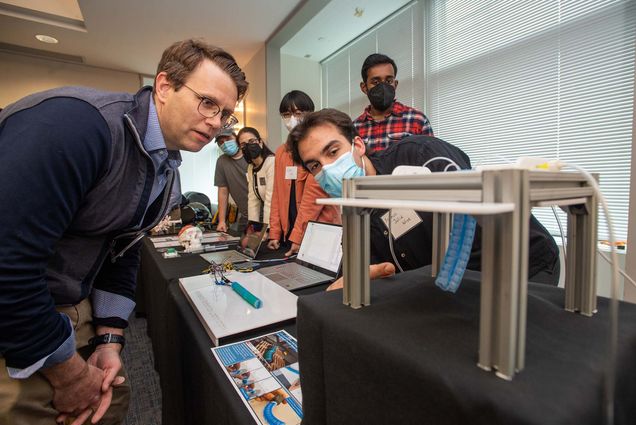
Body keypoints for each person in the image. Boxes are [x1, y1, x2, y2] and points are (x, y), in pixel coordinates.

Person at [0, 39, 247, 424]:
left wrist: (110, 338)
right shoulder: (78, 126)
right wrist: (67, 372)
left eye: (226, 114)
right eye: (208, 103)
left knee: (111, 405)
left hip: (71, 310)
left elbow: (124, 249)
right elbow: (7, 265)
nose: (217, 123)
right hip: (19, 318)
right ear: (164, 86)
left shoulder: (167, 172)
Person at [288, 109, 560, 290]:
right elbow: (363, 271)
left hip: (522, 264)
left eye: (333, 151)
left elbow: (467, 228)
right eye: (315, 166)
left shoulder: (420, 155)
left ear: (358, 145)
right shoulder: (353, 209)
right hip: (454, 285)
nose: (328, 167)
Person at [267, 91, 340, 256]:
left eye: (298, 113)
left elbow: (312, 199)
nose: (292, 119)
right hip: (290, 235)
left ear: (310, 115)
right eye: (286, 114)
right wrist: (275, 233)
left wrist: (298, 236)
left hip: (318, 231)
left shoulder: (319, 148)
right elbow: (277, 195)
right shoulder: (281, 152)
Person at [353, 53, 434, 152]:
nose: (383, 86)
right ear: (364, 88)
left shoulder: (418, 120)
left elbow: (431, 162)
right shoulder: (354, 128)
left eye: (388, 81)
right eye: (376, 82)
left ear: (395, 84)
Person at [238, 127, 275, 225]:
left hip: (280, 219)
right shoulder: (250, 168)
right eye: (243, 144)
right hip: (271, 217)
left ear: (260, 143)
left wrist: (267, 230)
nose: (248, 146)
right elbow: (253, 201)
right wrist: (252, 229)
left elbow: (270, 201)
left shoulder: (271, 162)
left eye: (251, 141)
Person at [214, 129, 249, 232]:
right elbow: (223, 192)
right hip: (245, 215)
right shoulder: (221, 161)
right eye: (221, 142)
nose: (225, 144)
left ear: (237, 138)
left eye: (228, 139)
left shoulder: (250, 156)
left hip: (265, 215)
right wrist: (221, 221)